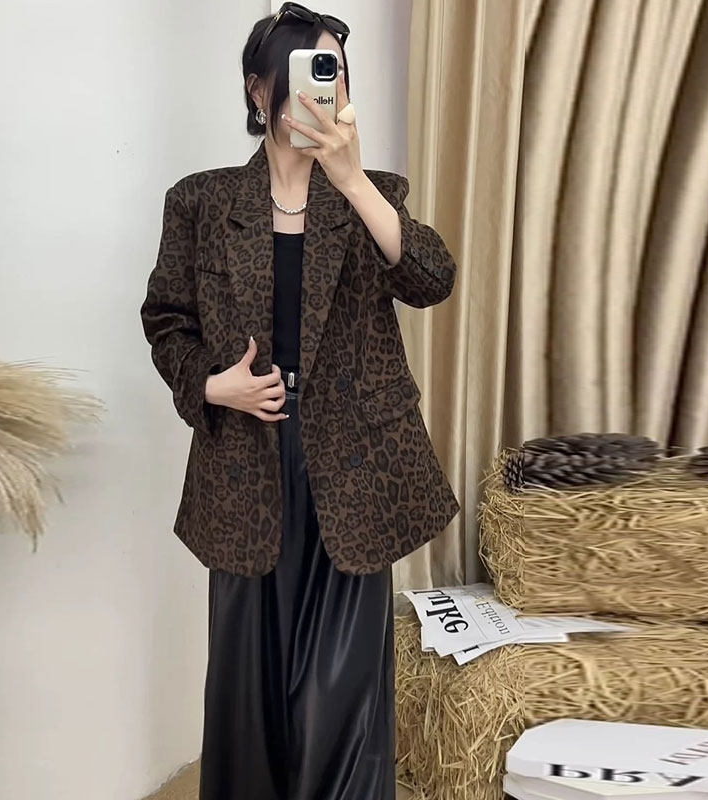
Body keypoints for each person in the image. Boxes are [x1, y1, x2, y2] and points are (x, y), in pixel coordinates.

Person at [139, 3, 460, 799]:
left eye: (336, 73)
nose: (327, 88)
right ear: (260, 91)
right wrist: (211, 385)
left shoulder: (373, 195)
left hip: (353, 471)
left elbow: (432, 279)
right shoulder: (201, 202)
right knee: (247, 691)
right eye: (309, 72)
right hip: (244, 468)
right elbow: (167, 320)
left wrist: (351, 178)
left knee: (341, 695)